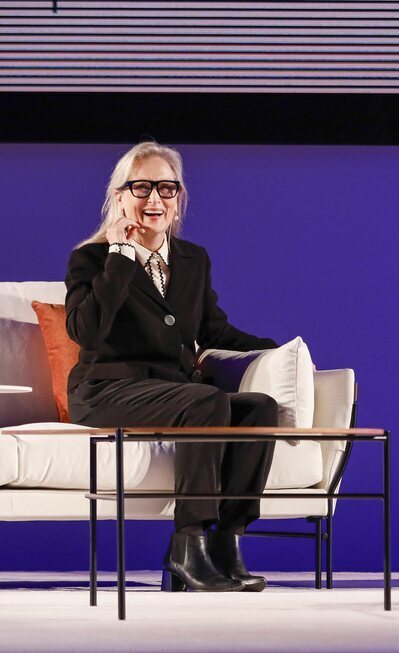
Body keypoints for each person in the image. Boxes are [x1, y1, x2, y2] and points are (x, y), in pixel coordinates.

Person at [65, 141, 280, 593]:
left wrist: (279, 351)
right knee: (206, 401)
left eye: (166, 187)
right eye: (141, 187)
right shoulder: (92, 259)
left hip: (177, 394)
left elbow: (214, 330)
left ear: (179, 198)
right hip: (107, 390)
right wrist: (122, 257)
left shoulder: (193, 260)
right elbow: (86, 332)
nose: (154, 199)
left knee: (258, 406)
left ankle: (226, 541)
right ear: (120, 196)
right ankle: (187, 545)